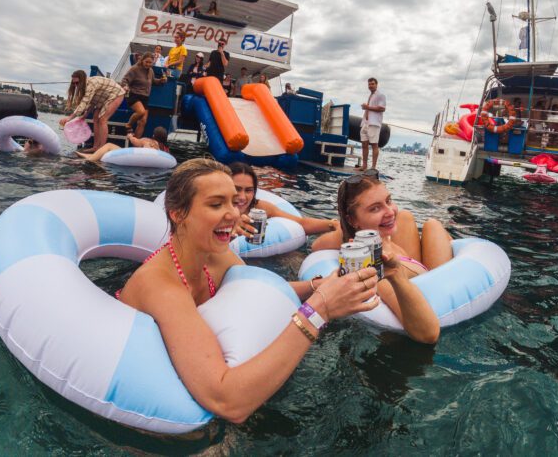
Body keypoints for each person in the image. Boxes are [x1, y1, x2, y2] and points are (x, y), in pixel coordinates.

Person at [117, 158, 379, 423]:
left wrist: (317, 287)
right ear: (178, 213)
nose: (233, 213)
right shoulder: (162, 287)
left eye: (233, 201)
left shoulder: (215, 257)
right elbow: (227, 402)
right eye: (216, 204)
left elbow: (257, 292)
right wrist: (319, 310)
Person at [314, 172, 451, 343]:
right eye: (375, 208)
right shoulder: (377, 265)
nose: (390, 212)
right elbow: (428, 335)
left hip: (414, 264)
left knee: (415, 219)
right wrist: (396, 274)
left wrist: (335, 225)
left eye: (388, 201)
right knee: (433, 225)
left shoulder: (377, 236)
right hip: (434, 286)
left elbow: (316, 245)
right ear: (353, 220)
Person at [229, 162, 339, 237]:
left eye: (248, 190)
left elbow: (300, 223)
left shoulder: (260, 208)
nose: (242, 197)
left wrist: (332, 224)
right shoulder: (216, 211)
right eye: (236, 189)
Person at [59, 71, 126, 150]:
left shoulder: (91, 84)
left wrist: (70, 118)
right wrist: (84, 116)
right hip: (103, 99)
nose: (75, 85)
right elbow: (91, 103)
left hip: (117, 94)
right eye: (73, 83)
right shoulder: (85, 86)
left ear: (82, 80)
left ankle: (101, 149)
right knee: (95, 118)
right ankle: (95, 147)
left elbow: (84, 103)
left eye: (77, 83)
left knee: (102, 119)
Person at [121, 52, 167, 138]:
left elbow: (153, 81)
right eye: (146, 62)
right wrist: (125, 86)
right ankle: (128, 125)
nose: (148, 64)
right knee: (141, 112)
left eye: (150, 63)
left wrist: (160, 81)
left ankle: (136, 143)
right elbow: (124, 80)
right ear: (142, 60)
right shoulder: (134, 69)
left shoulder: (151, 71)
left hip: (145, 97)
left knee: (143, 122)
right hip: (134, 95)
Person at [75, 127, 170, 161]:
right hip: (148, 163)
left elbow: (135, 142)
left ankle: (90, 158)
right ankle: (90, 155)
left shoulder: (148, 141)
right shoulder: (165, 149)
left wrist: (130, 136)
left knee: (109, 145)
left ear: (154, 135)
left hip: (135, 159)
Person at [358, 77, 386, 171]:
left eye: (372, 84)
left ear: (376, 85)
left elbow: (382, 108)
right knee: (364, 144)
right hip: (365, 123)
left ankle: (373, 167)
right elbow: (369, 108)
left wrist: (368, 107)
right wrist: (366, 108)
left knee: (374, 144)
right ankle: (364, 165)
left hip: (374, 123)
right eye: (369, 84)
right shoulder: (371, 95)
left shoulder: (380, 95)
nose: (370, 86)